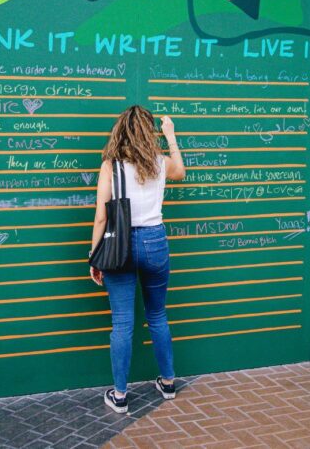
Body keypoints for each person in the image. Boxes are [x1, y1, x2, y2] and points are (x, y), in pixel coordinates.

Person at [88, 104, 187, 413]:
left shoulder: (111, 165)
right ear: (149, 133)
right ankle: (168, 383)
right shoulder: (159, 163)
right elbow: (181, 172)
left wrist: (95, 256)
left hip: (120, 244)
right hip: (155, 241)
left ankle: (120, 396)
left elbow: (102, 217)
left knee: (122, 323)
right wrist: (170, 136)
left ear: (121, 131)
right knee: (157, 315)